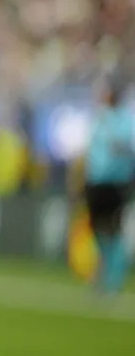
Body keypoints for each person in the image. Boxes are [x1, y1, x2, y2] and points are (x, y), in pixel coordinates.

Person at [83, 75, 134, 297]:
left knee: (113, 228)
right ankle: (104, 270)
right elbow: (92, 151)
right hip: (96, 181)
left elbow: (128, 148)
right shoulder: (99, 118)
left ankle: (114, 277)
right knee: (97, 228)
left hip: (117, 182)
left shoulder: (127, 120)